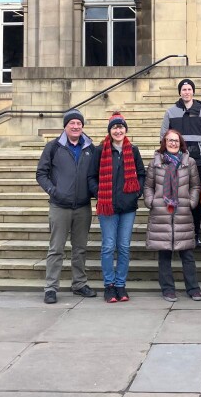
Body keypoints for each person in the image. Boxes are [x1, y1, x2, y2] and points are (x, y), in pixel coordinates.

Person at [36, 108, 97, 304]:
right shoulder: (53, 147)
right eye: (72, 123)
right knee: (56, 249)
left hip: (82, 207)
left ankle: (79, 284)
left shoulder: (90, 148)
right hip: (59, 206)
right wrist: (54, 191)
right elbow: (41, 173)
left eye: (79, 123)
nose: (76, 126)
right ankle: (51, 288)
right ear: (65, 126)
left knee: (80, 248)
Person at [88, 112, 145, 303]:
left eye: (121, 127)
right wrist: (100, 193)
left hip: (128, 207)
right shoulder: (100, 150)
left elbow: (141, 174)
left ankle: (121, 284)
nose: (118, 130)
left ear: (125, 129)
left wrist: (136, 192)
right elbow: (91, 177)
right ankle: (109, 285)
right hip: (108, 206)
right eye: (114, 127)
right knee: (108, 246)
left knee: (124, 247)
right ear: (110, 131)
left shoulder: (133, 150)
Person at [144, 129, 201, 302]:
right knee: (164, 255)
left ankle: (193, 288)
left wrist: (191, 202)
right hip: (161, 213)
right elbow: (148, 186)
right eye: (170, 140)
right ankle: (168, 289)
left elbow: (195, 186)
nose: (173, 143)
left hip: (182, 212)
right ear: (164, 142)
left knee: (187, 254)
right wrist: (151, 201)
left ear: (181, 143)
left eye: (176, 140)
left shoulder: (189, 162)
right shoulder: (155, 163)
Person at [160, 78, 201, 247]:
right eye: (184, 89)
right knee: (176, 198)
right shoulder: (170, 112)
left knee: (194, 201)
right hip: (175, 162)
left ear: (193, 92)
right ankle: (176, 234)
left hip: (197, 163)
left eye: (189, 89)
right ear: (179, 92)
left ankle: (195, 234)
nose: (186, 92)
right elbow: (163, 138)